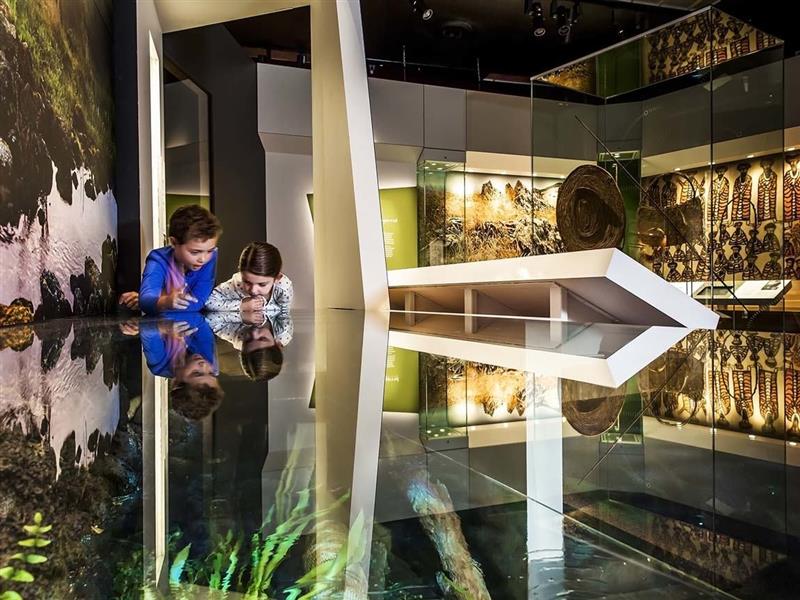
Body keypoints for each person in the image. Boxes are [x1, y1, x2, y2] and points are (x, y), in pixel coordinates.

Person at [119, 205, 222, 314]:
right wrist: (165, 301)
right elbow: (146, 300)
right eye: (195, 252)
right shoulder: (158, 259)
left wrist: (158, 302)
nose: (203, 259)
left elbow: (198, 302)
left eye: (210, 251)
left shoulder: (211, 256)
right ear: (173, 242)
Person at [205, 242, 293, 315]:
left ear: (277, 278)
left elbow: (284, 312)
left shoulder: (283, 287)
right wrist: (241, 306)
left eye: (262, 284)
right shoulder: (236, 283)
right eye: (247, 282)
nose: (253, 290)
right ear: (240, 273)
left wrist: (261, 308)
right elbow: (209, 303)